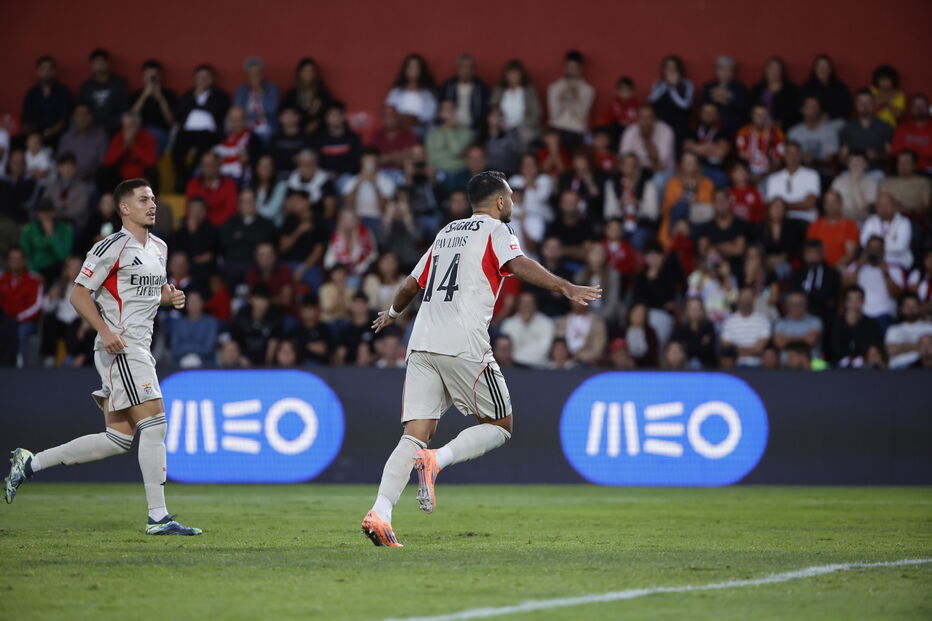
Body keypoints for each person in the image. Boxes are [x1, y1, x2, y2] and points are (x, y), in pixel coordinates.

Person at [360, 171, 600, 546]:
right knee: (500, 425)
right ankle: (437, 460)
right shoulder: (496, 230)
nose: (513, 203)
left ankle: (380, 512)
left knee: (414, 435)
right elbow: (518, 263)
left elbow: (410, 284)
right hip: (463, 342)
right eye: (511, 197)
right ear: (500, 201)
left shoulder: (446, 232)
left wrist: (392, 313)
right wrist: (564, 286)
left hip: (421, 341)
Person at [3, 179, 200, 535]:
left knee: (117, 440)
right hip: (121, 347)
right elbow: (79, 295)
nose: (152, 205)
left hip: (140, 346)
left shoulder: (159, 247)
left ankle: (30, 463)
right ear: (124, 208)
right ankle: (158, 517)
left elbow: (145, 294)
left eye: (153, 199)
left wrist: (168, 298)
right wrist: (105, 332)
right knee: (156, 423)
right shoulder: (110, 247)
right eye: (144, 200)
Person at [172, 64, 230, 191]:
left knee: (201, 151)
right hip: (187, 131)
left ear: (212, 79)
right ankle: (185, 179)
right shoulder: (189, 94)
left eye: (206, 77)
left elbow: (217, 109)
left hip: (207, 132)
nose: (202, 80)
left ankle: (187, 180)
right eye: (200, 77)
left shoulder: (219, 95)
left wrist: (195, 105)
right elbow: (178, 112)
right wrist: (194, 97)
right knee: (176, 151)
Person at [843, 236, 905, 332]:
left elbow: (897, 294)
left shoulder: (894, 268)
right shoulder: (855, 266)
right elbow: (846, 287)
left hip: (884, 314)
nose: (875, 250)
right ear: (867, 249)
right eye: (872, 247)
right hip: (860, 314)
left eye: (878, 247)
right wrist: (859, 266)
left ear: (883, 250)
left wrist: (886, 273)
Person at [218, 188, 277, 285]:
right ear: (239, 204)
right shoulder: (229, 224)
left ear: (256, 203)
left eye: (251, 201)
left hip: (257, 268)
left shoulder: (267, 224)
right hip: (233, 267)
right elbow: (224, 244)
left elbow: (270, 244)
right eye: (244, 201)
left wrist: (241, 236)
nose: (248, 204)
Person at [0, 246, 44, 366]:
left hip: (27, 322)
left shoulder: (34, 280)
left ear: (24, 261)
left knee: (21, 331)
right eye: (12, 259)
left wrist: (19, 318)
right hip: (5, 320)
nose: (15, 262)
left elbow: (37, 306)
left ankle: (20, 366)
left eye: (18, 259)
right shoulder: (2, 280)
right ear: (8, 261)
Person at [546, 50, 595, 149]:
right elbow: (554, 114)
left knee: (571, 140)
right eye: (569, 67)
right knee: (551, 138)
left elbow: (581, 116)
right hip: (556, 127)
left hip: (575, 130)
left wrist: (575, 97)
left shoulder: (588, 90)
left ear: (580, 69)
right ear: (564, 67)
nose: (571, 71)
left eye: (575, 68)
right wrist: (561, 97)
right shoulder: (554, 87)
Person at [21, 56, 72, 148]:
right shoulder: (31, 94)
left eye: (49, 68)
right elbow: (26, 120)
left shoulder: (63, 92)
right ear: (38, 71)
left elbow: (63, 120)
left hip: (56, 136)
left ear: (54, 71)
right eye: (43, 68)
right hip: (35, 136)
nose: (46, 71)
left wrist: (47, 133)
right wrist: (32, 135)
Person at [490, 59, 542, 149]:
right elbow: (494, 109)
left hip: (524, 128)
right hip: (504, 127)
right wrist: (499, 121)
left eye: (516, 74)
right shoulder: (499, 90)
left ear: (521, 75)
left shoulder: (529, 90)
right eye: (510, 73)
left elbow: (537, 112)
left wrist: (521, 125)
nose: (513, 76)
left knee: (520, 140)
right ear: (506, 75)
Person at [764, 141, 820, 223]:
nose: (792, 157)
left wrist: (784, 206)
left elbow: (809, 204)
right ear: (784, 155)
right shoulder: (773, 178)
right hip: (782, 222)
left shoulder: (812, 175)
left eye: (795, 153)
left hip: (805, 220)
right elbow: (772, 206)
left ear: (800, 155)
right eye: (789, 153)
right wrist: (800, 203)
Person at [20, 199, 73, 283]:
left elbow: (64, 255)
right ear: (37, 214)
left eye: (49, 212)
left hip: (58, 270)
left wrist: (51, 235)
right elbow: (25, 254)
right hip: (36, 269)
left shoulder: (65, 229)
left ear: (54, 213)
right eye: (42, 212)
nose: (46, 216)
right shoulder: (29, 230)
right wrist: (34, 272)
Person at [129, 59, 177, 154]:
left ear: (160, 77)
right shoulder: (136, 95)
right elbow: (130, 118)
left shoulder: (168, 94)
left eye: (154, 76)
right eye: (149, 76)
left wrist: (161, 99)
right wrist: (144, 96)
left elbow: (171, 122)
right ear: (143, 77)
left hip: (159, 132)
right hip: (138, 131)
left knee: (153, 139)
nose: (152, 79)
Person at [76, 49, 129, 134]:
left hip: (115, 130)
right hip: (91, 131)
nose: (99, 65)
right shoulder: (86, 87)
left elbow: (124, 110)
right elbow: (80, 109)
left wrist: (111, 125)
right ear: (91, 65)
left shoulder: (119, 84)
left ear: (108, 64)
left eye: (102, 62)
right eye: (96, 63)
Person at [385, 54, 437, 138]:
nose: (413, 70)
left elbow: (430, 115)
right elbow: (388, 110)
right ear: (405, 70)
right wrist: (402, 119)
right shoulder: (396, 92)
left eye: (416, 67)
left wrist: (412, 119)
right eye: (410, 67)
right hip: (399, 129)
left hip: (421, 130)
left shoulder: (427, 93)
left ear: (421, 70)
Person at [499, 291, 555, 368]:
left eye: (529, 303)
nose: (526, 306)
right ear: (518, 305)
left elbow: (544, 351)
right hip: (515, 368)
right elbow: (507, 352)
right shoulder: (508, 324)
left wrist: (520, 356)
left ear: (535, 305)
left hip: (539, 367)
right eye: (523, 302)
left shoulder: (547, 323)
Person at [839, 89, 892, 170]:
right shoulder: (848, 128)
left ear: (874, 104)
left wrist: (877, 156)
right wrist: (854, 161)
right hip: (853, 171)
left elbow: (890, 156)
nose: (864, 106)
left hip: (876, 171)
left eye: (868, 102)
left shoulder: (884, 127)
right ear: (856, 105)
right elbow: (842, 158)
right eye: (861, 102)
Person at [436, 54, 489, 132]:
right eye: (462, 66)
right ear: (457, 69)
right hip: (450, 127)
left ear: (473, 69)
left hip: (474, 128)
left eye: (469, 67)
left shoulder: (481, 88)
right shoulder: (447, 87)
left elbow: (485, 110)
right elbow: (440, 108)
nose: (466, 70)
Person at [832, 285, 883, 367]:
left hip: (865, 366)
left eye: (857, 300)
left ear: (863, 302)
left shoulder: (871, 323)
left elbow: (871, 348)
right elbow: (835, 348)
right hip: (839, 366)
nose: (854, 304)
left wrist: (854, 326)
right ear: (845, 302)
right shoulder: (837, 322)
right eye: (850, 300)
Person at [102, 112, 158, 186]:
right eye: (126, 126)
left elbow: (151, 162)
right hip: (120, 177)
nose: (129, 129)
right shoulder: (118, 137)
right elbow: (107, 162)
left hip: (142, 176)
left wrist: (133, 145)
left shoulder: (147, 137)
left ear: (138, 126)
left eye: (132, 125)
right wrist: (124, 147)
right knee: (104, 172)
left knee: (153, 171)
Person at [720, 287, 772, 366]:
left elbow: (759, 349)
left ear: (753, 299)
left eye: (749, 298)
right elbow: (727, 348)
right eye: (744, 298)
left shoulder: (763, 320)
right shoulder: (729, 321)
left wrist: (738, 351)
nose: (746, 301)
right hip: (734, 365)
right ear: (739, 299)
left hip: (758, 365)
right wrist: (752, 350)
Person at [860, 192, 912, 270]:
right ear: (876, 208)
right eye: (880, 205)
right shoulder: (871, 221)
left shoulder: (904, 222)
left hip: (897, 263)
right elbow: (864, 242)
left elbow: (900, 247)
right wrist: (891, 242)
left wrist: (875, 246)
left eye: (887, 204)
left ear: (895, 206)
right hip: (873, 262)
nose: (883, 208)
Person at [805, 191, 858, 268]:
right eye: (827, 202)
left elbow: (850, 254)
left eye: (834, 201)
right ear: (824, 205)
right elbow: (811, 252)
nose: (831, 205)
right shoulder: (815, 226)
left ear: (840, 204)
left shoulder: (850, 225)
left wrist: (832, 270)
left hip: (842, 268)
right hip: (819, 267)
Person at [649, 55, 694, 146]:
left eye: (673, 67)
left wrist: (673, 88)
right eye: (667, 67)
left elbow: (685, 105)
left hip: (680, 126)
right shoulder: (658, 84)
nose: (670, 70)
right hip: (661, 125)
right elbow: (651, 101)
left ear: (679, 70)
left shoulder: (687, 84)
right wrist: (665, 86)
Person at [619, 104, 675, 175]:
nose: (645, 121)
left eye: (648, 117)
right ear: (637, 119)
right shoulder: (630, 131)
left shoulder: (666, 131)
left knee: (658, 178)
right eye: (642, 117)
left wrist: (647, 140)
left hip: (663, 171)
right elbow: (624, 158)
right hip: (637, 170)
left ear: (654, 119)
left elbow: (660, 162)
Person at [787, 97, 839, 175]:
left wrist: (814, 160)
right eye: (810, 106)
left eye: (815, 106)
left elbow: (832, 159)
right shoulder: (794, 132)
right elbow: (790, 157)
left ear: (820, 109)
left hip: (823, 173)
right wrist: (802, 160)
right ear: (802, 109)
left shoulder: (829, 131)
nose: (813, 109)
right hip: (798, 173)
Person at [185, 152, 238, 227]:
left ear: (217, 165)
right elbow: (189, 210)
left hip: (222, 227)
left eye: (209, 164)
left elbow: (230, 211)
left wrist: (212, 225)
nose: (206, 167)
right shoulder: (193, 184)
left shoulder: (229, 185)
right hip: (199, 227)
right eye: (203, 164)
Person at [311, 101, 362, 179]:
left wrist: (338, 173)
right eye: (331, 115)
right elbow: (316, 161)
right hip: (324, 175)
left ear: (343, 117)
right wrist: (327, 173)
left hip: (346, 176)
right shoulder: (319, 138)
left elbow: (355, 163)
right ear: (326, 118)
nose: (335, 118)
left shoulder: (353, 138)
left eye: (338, 115)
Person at [57, 104, 108, 183]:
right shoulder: (66, 138)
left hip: (91, 180)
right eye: (78, 115)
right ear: (74, 117)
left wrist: (84, 177)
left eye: (85, 114)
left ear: (91, 116)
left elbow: (101, 164)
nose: (82, 118)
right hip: (68, 179)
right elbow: (60, 161)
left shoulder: (100, 136)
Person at [281, 57, 332, 135]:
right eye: (305, 71)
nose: (308, 74)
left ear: (315, 74)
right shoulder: (292, 93)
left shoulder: (322, 93)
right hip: (296, 131)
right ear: (299, 73)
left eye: (311, 71)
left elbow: (330, 113)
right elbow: (285, 112)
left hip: (319, 132)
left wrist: (317, 121)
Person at [233, 56, 279, 142]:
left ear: (262, 74)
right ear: (247, 75)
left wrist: (258, 90)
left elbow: (271, 109)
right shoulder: (241, 90)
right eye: (251, 74)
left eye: (257, 74)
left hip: (266, 123)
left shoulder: (271, 88)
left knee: (265, 136)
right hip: (245, 123)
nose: (255, 77)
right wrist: (254, 116)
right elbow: (239, 110)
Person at [735, 104, 786, 182]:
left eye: (763, 115)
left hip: (770, 175)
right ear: (752, 116)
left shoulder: (777, 133)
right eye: (757, 114)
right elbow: (741, 156)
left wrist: (765, 176)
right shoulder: (743, 132)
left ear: (768, 116)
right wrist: (750, 176)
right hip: (748, 176)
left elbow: (778, 161)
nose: (760, 118)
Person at [699, 55, 749, 133]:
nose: (725, 73)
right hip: (711, 125)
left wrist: (729, 98)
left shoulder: (740, 88)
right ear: (716, 71)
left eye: (728, 69)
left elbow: (744, 108)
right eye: (722, 69)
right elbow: (702, 105)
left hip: (733, 125)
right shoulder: (709, 87)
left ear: (733, 72)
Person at [169, 290, 218, 368]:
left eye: (196, 301)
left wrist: (186, 347)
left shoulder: (210, 322)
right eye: (191, 301)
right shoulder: (178, 323)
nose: (193, 303)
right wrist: (195, 348)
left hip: (205, 364)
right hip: (180, 365)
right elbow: (174, 349)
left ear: (202, 303)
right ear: (186, 304)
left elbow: (209, 349)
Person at [213, 106, 262, 184]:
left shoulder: (252, 138)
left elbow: (253, 161)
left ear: (244, 120)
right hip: (220, 178)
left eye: (238, 119)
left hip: (240, 179)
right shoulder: (221, 137)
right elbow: (215, 158)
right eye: (232, 119)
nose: (235, 122)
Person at [749, 56, 800, 131]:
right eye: (770, 68)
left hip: (782, 129)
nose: (772, 72)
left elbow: (794, 112)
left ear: (782, 71)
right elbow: (750, 109)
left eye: (776, 69)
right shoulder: (757, 89)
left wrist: (781, 123)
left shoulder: (791, 90)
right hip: (758, 128)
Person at [43, 153, 91, 230]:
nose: (68, 169)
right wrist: (63, 204)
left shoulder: (82, 188)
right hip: (52, 222)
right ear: (59, 167)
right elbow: (45, 205)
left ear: (75, 168)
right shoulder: (51, 186)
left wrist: (56, 211)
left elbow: (79, 210)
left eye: (71, 166)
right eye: (65, 166)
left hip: (73, 223)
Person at [800, 54, 852, 124]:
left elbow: (846, 107)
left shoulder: (840, 87)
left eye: (826, 67)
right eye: (820, 67)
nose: (823, 70)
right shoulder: (806, 88)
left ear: (830, 69)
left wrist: (830, 116)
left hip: (834, 121)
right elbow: (801, 108)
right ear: (815, 69)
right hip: (812, 122)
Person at [885, 292, 932, 368]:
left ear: (920, 307)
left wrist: (902, 347)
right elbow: (890, 351)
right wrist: (919, 346)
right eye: (907, 306)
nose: (911, 309)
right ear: (901, 309)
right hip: (898, 368)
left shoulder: (929, 327)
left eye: (914, 306)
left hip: (923, 368)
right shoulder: (894, 329)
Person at [369, 105, 419, 175]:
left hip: (403, 174)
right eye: (385, 116)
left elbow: (412, 159)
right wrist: (396, 156)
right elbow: (371, 160)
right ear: (381, 119)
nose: (388, 118)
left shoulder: (408, 135)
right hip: (380, 175)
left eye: (391, 115)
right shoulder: (376, 136)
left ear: (397, 117)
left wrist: (384, 158)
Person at [830, 151, 878, 223]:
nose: (855, 164)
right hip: (840, 221)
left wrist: (855, 182)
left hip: (861, 222)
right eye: (851, 161)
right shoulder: (838, 181)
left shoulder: (872, 184)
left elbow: (863, 209)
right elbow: (831, 206)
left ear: (866, 164)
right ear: (848, 164)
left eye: (858, 161)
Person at [773, 290, 823, 358]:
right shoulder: (780, 323)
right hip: (785, 363)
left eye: (799, 304)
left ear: (806, 305)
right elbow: (780, 343)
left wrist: (787, 338)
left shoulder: (815, 321)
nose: (796, 307)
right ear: (787, 306)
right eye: (792, 304)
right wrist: (804, 338)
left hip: (811, 363)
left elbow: (811, 341)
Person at [880, 150, 931, 216]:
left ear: (914, 165)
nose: (903, 165)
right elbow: (879, 205)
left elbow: (927, 206)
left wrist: (910, 211)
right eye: (900, 162)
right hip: (889, 216)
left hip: (914, 217)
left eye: (907, 162)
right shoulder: (886, 182)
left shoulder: (923, 182)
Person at [891, 94, 932, 174]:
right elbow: (896, 152)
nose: (919, 109)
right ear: (911, 109)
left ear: (928, 107)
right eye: (915, 106)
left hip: (929, 169)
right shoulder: (902, 127)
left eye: (922, 106)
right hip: (907, 169)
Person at [672, 297, 717, 368]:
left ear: (702, 311)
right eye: (691, 309)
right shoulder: (680, 328)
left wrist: (687, 345)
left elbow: (709, 350)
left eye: (697, 309)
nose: (694, 312)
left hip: (707, 366)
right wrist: (701, 344)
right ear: (686, 311)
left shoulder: (708, 327)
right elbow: (678, 349)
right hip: (684, 366)